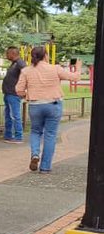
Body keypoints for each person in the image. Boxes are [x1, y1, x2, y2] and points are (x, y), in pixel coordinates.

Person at [15, 46, 81, 174]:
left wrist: (27, 95)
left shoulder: (26, 71)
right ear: (46, 55)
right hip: (53, 104)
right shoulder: (55, 68)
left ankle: (35, 154)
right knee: (50, 135)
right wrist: (77, 67)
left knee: (35, 131)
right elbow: (75, 78)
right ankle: (45, 167)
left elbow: (19, 90)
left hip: (35, 105)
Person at [2, 46, 26, 144]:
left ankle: (18, 137)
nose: (6, 55)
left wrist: (23, 89)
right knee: (8, 115)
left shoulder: (20, 63)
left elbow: (26, 74)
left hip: (14, 94)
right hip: (8, 93)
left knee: (15, 115)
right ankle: (8, 135)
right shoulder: (13, 64)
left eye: (7, 53)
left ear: (13, 53)